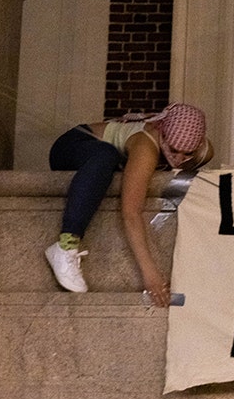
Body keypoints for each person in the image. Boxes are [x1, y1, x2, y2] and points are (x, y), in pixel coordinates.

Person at [44, 103, 210, 307]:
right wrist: (150, 274)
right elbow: (131, 212)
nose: (179, 160)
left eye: (188, 154)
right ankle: (65, 245)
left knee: (108, 157)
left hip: (97, 155)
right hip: (71, 145)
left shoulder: (200, 149)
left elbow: (203, 152)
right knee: (107, 155)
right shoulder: (146, 148)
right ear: (161, 133)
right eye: (174, 150)